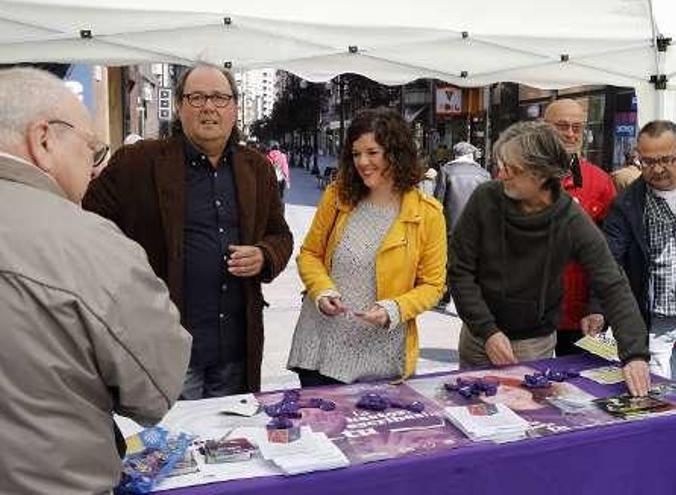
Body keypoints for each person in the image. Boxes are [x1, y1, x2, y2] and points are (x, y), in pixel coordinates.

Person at [0, 67, 191, 494]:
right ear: (44, 139)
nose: (96, 167)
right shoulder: (87, 243)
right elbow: (158, 387)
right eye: (92, 149)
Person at [83, 64, 293, 399]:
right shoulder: (138, 163)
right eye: (197, 97)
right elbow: (87, 224)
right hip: (170, 349)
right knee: (174, 446)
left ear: (235, 108)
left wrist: (265, 254)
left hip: (235, 349)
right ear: (179, 106)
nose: (209, 107)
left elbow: (280, 235)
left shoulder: (257, 168)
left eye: (219, 98)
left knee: (230, 444)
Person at [449, 121, 651, 396]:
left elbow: (611, 281)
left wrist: (635, 354)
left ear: (541, 173)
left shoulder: (569, 218)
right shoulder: (485, 198)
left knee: (528, 423)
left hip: (534, 342)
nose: (502, 174)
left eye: (513, 169)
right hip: (478, 337)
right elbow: (460, 270)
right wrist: (487, 330)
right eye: (501, 164)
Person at [287, 108, 446, 386]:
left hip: (382, 358)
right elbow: (310, 254)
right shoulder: (337, 196)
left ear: (395, 152)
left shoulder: (427, 213)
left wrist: (394, 309)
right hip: (321, 349)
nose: (362, 162)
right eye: (356, 154)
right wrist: (322, 290)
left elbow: (433, 285)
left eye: (373, 153)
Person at [604, 120, 676, 381]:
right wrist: (597, 307)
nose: (657, 169)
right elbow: (610, 260)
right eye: (647, 161)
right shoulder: (627, 203)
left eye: (666, 159)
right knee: (663, 392)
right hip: (657, 319)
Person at [543, 98, 617, 356]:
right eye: (562, 126)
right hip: (528, 317)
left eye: (577, 126)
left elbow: (611, 255)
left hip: (584, 319)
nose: (571, 133)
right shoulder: (518, 176)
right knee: (521, 391)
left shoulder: (600, 182)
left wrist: (600, 308)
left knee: (585, 389)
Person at [434, 141, 491, 307]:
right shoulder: (484, 174)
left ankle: (445, 296)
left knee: (448, 261)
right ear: (471, 155)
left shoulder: (446, 171)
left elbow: (438, 201)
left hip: (451, 226)